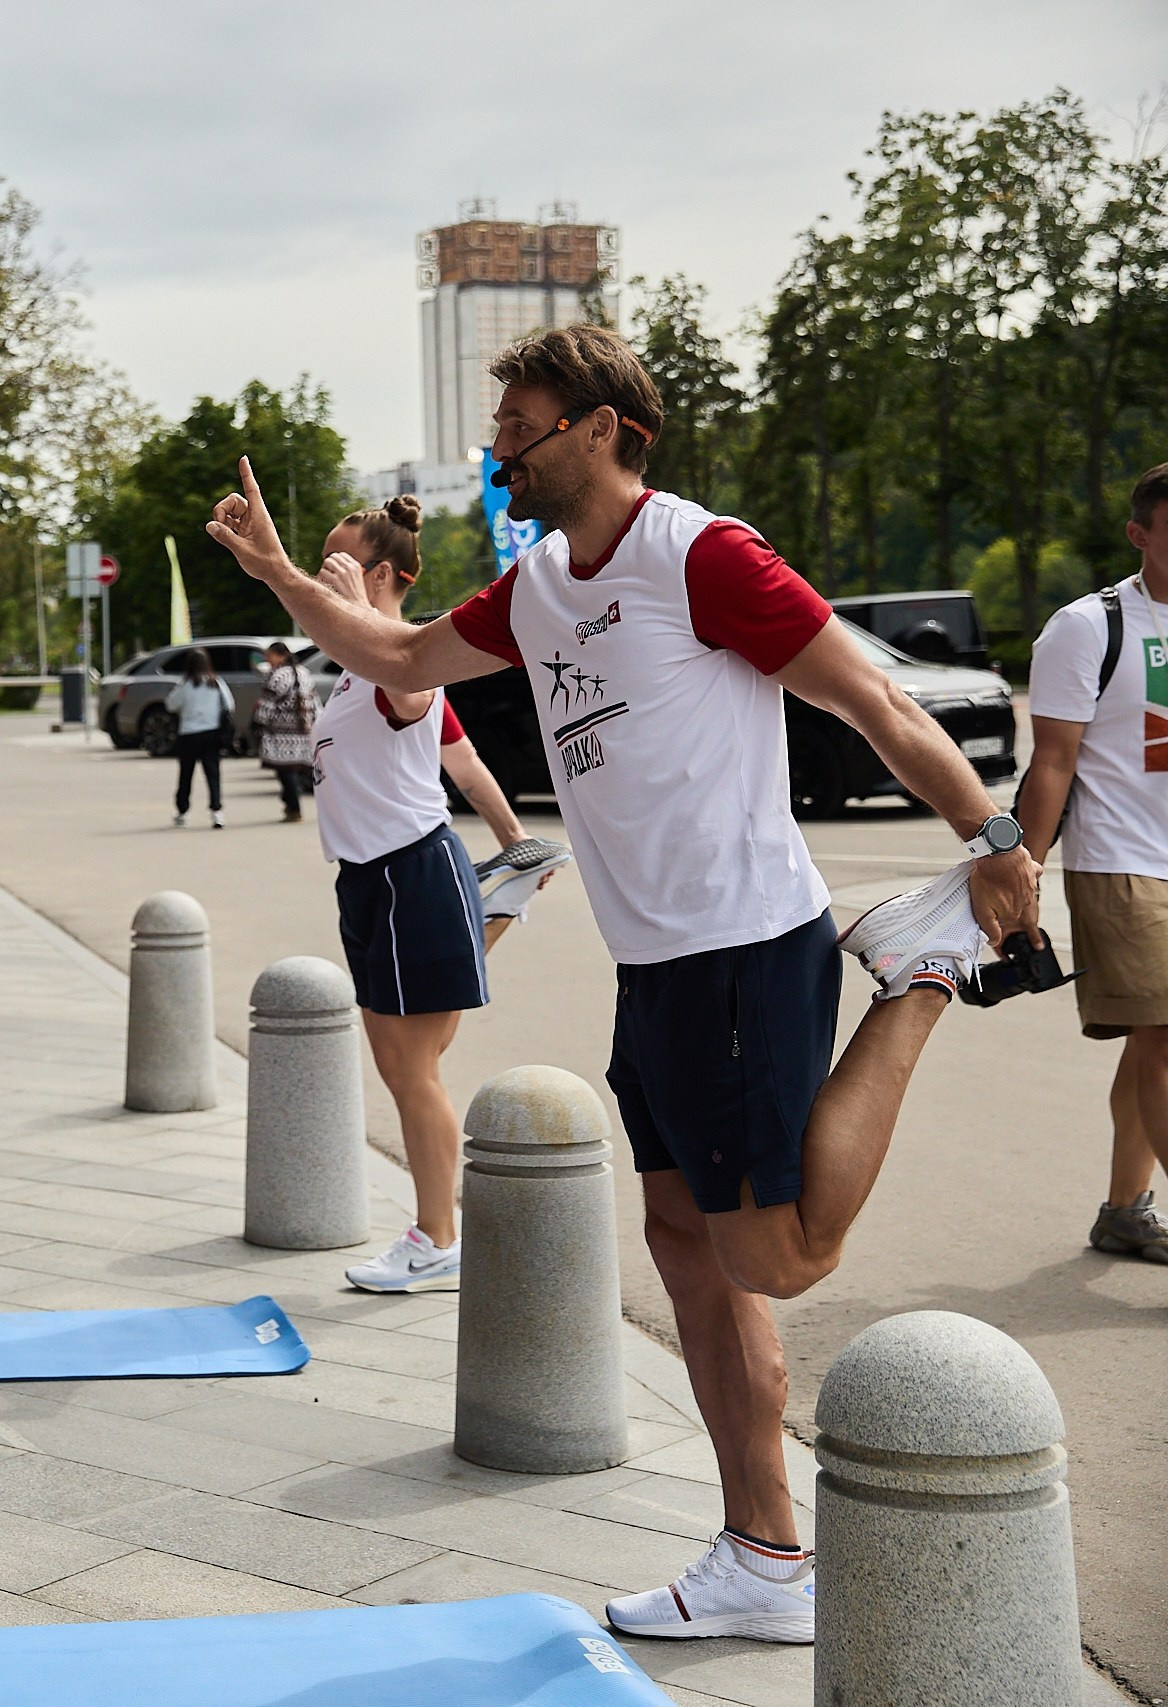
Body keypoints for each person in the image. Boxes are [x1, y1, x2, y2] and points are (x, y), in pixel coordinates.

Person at [207, 322, 1037, 1646]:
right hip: (653, 969)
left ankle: (918, 979)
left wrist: (989, 838)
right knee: (689, 1256)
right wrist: (273, 573)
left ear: (606, 429)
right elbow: (404, 655)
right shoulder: (540, 586)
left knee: (776, 1250)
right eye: (500, 435)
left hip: (745, 946)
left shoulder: (699, 554)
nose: (501, 456)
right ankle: (764, 1553)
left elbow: (872, 700)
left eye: (521, 431)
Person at [300, 496, 552, 1296]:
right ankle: (498, 903)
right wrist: (518, 844)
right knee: (404, 1062)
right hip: (366, 883)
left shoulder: (397, 666)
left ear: (378, 574)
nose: (318, 576)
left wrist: (518, 853)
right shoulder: (349, 675)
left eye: (334, 563)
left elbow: (410, 691)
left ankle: (438, 1236)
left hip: (410, 872)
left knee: (414, 1071)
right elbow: (467, 763)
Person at [1014, 461, 1168, 1263]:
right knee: (1166, 1036)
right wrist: (1022, 875)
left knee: (1154, 1041)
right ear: (1140, 534)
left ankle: (1122, 1210)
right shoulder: (1087, 626)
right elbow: (1052, 763)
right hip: (1123, 861)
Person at [164, 649, 233, 827]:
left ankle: (182, 812)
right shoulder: (216, 683)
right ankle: (216, 812)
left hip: (188, 734)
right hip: (211, 733)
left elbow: (170, 705)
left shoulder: (185, 685)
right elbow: (229, 705)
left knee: (186, 775)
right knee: (213, 775)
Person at [253, 640, 316, 822]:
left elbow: (267, 703)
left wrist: (259, 722)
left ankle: (293, 807)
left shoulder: (277, 676)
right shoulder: (304, 673)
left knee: (285, 771)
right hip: (304, 729)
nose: (268, 660)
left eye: (269, 656)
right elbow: (313, 700)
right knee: (298, 769)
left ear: (280, 655)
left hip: (281, 732)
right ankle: (292, 805)